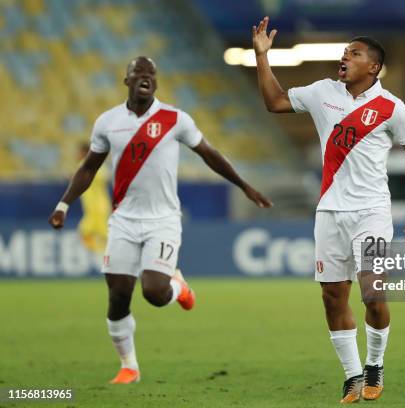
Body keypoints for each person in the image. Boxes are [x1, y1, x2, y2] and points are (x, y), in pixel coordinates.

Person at [48, 56, 272, 384]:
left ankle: (177, 287)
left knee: (153, 292)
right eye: (138, 73)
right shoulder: (108, 122)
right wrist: (63, 205)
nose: (145, 77)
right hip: (123, 220)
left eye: (151, 73)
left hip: (163, 220)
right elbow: (88, 168)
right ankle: (129, 367)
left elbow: (209, 153)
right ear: (126, 81)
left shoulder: (175, 119)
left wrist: (244, 185)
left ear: (156, 82)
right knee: (118, 295)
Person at [252, 17, 405, 403]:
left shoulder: (391, 108)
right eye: (344, 52)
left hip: (372, 212)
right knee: (333, 296)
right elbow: (275, 102)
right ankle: (352, 376)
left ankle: (375, 365)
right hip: (330, 212)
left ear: (374, 67)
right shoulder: (322, 92)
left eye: (354, 53)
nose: (345, 57)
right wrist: (262, 57)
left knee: (372, 293)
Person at [76, 141, 111, 256]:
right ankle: (100, 254)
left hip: (98, 208)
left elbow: (103, 177)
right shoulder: (96, 165)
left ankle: (102, 254)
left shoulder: (90, 164)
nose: (77, 155)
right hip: (94, 207)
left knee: (92, 232)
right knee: (89, 232)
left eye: (79, 152)